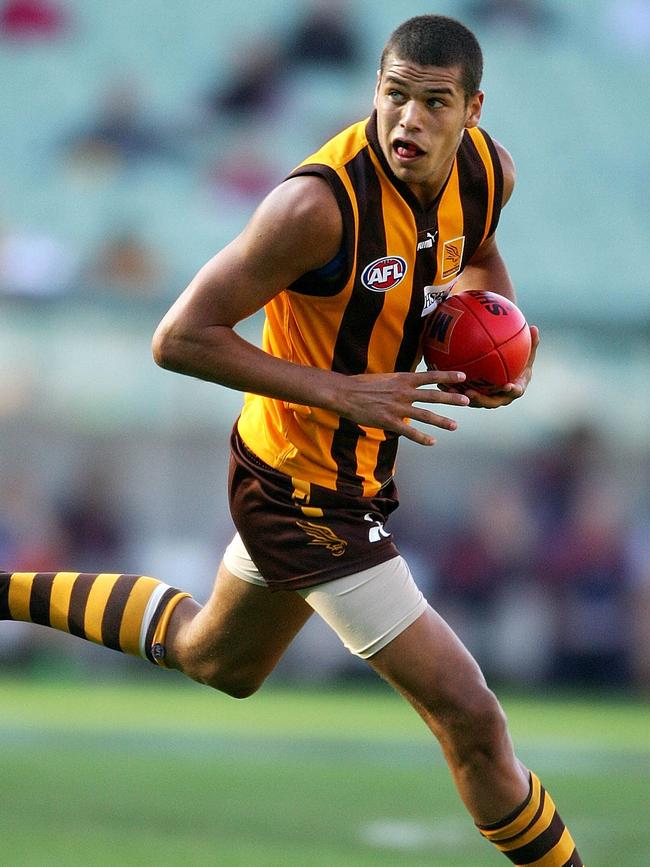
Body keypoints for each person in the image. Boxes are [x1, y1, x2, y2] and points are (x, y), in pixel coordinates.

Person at [0, 16, 584, 866]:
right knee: (470, 714)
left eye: (434, 103)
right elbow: (179, 336)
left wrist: (506, 345)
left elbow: (480, 255)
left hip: (348, 476)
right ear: (373, 91)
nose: (408, 120)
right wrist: (341, 391)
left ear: (472, 110)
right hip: (298, 487)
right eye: (394, 95)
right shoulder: (317, 206)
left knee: (216, 656)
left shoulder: (487, 172)